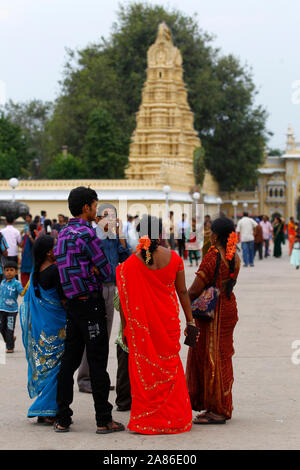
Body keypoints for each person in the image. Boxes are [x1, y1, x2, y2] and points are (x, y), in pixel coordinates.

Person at [54, 186, 124, 434]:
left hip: (72, 305)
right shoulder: (87, 234)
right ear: (86, 207)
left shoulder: (62, 234)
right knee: (97, 362)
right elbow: (106, 271)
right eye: (95, 205)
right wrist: (93, 270)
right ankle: (104, 419)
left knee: (69, 361)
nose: (97, 210)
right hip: (91, 304)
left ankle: (62, 417)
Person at [116, 215, 194, 435]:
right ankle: (175, 417)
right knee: (170, 367)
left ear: (140, 235)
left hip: (142, 326)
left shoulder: (129, 265)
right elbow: (182, 292)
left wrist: (125, 328)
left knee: (147, 371)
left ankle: (147, 419)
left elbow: (125, 301)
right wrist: (190, 320)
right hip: (168, 321)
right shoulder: (175, 258)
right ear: (161, 234)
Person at [186, 217, 240, 424]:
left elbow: (194, 289)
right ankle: (223, 402)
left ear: (215, 235)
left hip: (213, 315)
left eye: (210, 232)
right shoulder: (234, 256)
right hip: (228, 308)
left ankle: (217, 409)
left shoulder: (212, 256)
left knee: (212, 358)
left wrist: (185, 300)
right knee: (223, 356)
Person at [77, 203, 130, 394]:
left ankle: (97, 377)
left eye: (114, 217)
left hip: (110, 288)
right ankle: (85, 378)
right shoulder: (91, 237)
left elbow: (127, 258)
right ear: (98, 219)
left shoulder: (113, 238)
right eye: (107, 216)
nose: (112, 220)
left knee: (104, 336)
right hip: (95, 288)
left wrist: (121, 234)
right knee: (93, 334)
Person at [20, 235, 66, 423]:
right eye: (55, 247)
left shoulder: (35, 271)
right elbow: (63, 300)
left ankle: (45, 409)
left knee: (45, 366)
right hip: (55, 326)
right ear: (49, 252)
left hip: (41, 328)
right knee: (57, 368)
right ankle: (47, 410)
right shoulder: (55, 271)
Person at [0, 261, 24, 353]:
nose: (9, 272)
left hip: (11, 310)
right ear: (3, 272)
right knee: (2, 328)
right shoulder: (2, 282)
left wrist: (26, 289)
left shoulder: (16, 283)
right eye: (6, 270)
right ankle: (10, 339)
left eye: (11, 270)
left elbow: (21, 293)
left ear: (16, 272)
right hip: (1, 308)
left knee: (10, 328)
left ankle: (10, 347)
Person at [20, 222, 38, 287]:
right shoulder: (35, 235)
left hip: (26, 256)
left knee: (25, 274)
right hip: (31, 257)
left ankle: (26, 287)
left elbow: (21, 245)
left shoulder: (27, 235)